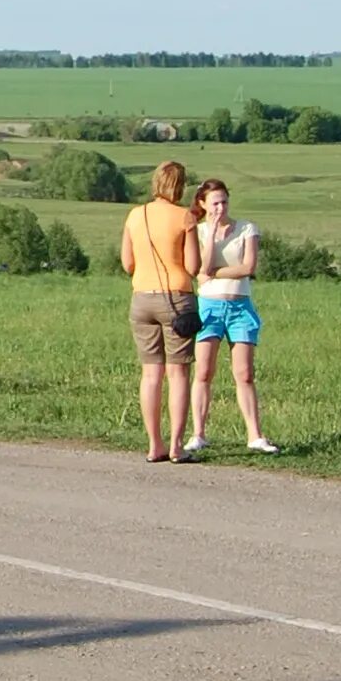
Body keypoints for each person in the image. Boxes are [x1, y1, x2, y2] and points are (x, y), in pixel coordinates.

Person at [118, 160, 201, 462]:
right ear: (179, 186)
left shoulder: (135, 215)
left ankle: (155, 445)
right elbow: (192, 266)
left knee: (151, 374)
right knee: (178, 373)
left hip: (141, 298)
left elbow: (128, 263)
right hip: (177, 298)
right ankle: (178, 446)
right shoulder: (185, 217)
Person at [190, 178, 276, 455]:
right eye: (214, 203)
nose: (221, 207)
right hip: (209, 305)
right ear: (202, 205)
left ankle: (255, 434)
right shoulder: (200, 231)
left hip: (239, 304)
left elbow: (248, 267)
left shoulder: (246, 229)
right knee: (203, 371)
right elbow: (199, 267)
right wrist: (212, 234)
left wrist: (214, 272)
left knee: (245, 373)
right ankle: (198, 433)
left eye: (224, 201)